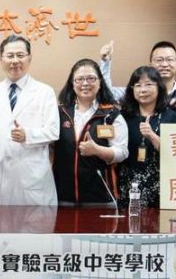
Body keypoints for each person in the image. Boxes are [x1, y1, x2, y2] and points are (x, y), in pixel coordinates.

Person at [0, 35, 59, 206]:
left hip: (32, 178)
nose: (15, 61)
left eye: (20, 55)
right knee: (0, 222)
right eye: (10, 56)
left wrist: (28, 135)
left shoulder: (44, 92)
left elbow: (53, 132)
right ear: (0, 59)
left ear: (29, 58)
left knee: (35, 222)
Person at [53, 58, 128, 205]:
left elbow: (122, 152)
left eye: (91, 78)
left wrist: (97, 150)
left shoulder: (111, 114)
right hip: (63, 196)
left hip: (100, 198)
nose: (85, 83)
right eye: (79, 79)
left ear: (100, 82)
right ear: (72, 83)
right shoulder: (59, 112)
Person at [118, 66, 176, 208]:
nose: (142, 90)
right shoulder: (124, 117)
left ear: (159, 87)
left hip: (161, 186)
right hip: (129, 186)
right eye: (138, 85)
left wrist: (152, 135)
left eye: (148, 84)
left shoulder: (171, 116)